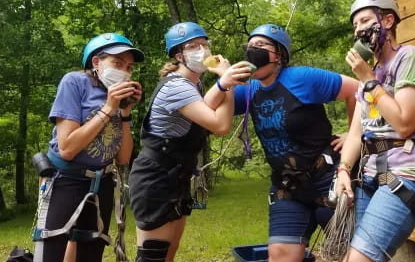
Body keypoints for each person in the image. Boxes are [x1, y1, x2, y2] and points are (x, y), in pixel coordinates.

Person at [232, 24, 358, 262]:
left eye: (260, 46)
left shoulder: (301, 78)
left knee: (350, 255)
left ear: (278, 54)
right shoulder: (249, 90)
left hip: (327, 180)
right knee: (280, 256)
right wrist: (222, 81)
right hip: (287, 186)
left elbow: (357, 90)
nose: (252, 51)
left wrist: (352, 135)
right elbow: (210, 107)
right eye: (249, 47)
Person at [129, 22, 252, 262]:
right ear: (178, 55)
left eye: (205, 44)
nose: (202, 50)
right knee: (152, 258)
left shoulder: (192, 83)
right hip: (154, 182)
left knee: (167, 256)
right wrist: (226, 83)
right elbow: (219, 126)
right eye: (193, 46)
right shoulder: (176, 86)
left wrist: (222, 83)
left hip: (175, 178)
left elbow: (206, 105)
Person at [336, 0, 415, 262]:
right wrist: (343, 169)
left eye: (364, 20)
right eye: (355, 26)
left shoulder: (409, 59)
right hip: (373, 173)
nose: (359, 29)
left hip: (407, 171)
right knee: (354, 257)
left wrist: (370, 81)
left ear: (387, 20)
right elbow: (357, 132)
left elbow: (405, 124)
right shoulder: (368, 72)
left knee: (361, 259)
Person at [32, 32, 145, 262]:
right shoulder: (74, 82)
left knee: (91, 254)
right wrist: (108, 107)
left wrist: (124, 112)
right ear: (96, 62)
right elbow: (67, 148)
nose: (124, 72)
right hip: (65, 180)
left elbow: (123, 158)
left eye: (129, 67)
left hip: (100, 183)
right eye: (117, 63)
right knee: (50, 255)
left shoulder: (118, 96)